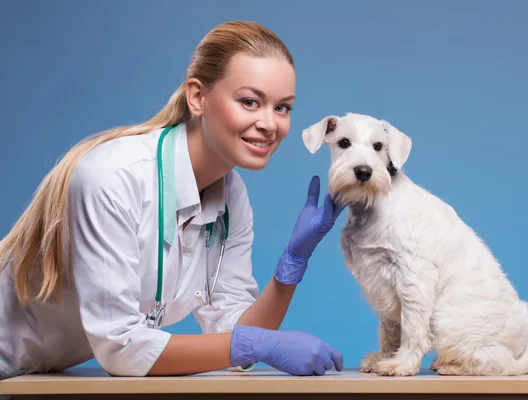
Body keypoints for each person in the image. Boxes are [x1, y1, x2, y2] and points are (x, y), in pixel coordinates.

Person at [0, 20, 346, 380]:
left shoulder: (232, 195)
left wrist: (291, 265)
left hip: (31, 376)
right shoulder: (113, 177)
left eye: (282, 107)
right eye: (249, 102)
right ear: (197, 97)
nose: (269, 124)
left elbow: (234, 339)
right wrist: (258, 345)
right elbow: (120, 349)